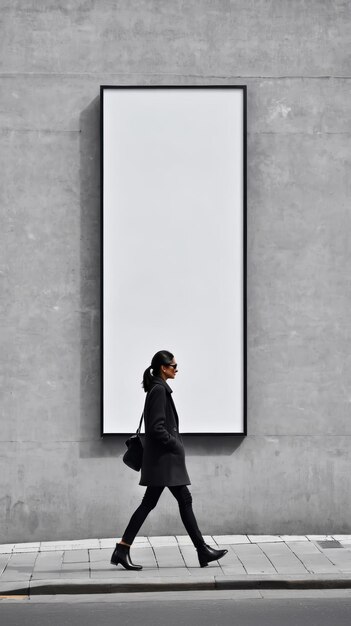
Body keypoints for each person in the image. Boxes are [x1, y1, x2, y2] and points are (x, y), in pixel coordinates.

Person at [110, 350, 228, 570]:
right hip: (164, 460)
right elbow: (156, 428)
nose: (176, 369)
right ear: (163, 368)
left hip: (163, 461)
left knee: (159, 502)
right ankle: (201, 550)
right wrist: (175, 444)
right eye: (174, 366)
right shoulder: (158, 391)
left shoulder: (158, 388)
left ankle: (123, 549)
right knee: (179, 500)